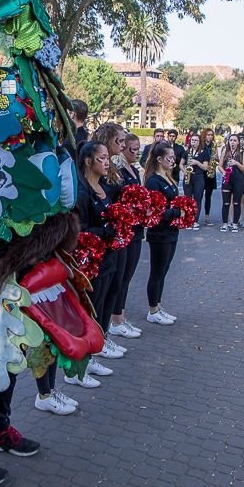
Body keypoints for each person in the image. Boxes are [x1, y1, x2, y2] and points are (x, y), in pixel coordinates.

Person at [77, 140, 125, 379]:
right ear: (88, 161)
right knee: (89, 313)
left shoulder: (105, 187)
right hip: (92, 264)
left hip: (108, 259)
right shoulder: (82, 192)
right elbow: (81, 232)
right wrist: (107, 231)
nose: (107, 162)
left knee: (102, 308)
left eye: (108, 157)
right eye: (101, 158)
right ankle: (78, 367)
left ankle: (93, 354)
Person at [109, 133, 144, 338]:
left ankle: (121, 316)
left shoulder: (134, 170)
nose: (136, 153)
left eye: (138, 149)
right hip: (127, 227)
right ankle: (115, 319)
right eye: (132, 149)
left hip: (137, 227)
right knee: (121, 277)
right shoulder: (120, 171)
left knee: (128, 275)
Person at [144, 142, 183, 325]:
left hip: (171, 231)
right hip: (159, 233)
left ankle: (158, 306)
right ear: (159, 159)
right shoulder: (153, 181)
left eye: (174, 158)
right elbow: (155, 211)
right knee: (157, 272)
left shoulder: (167, 177)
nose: (173, 161)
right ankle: (153, 310)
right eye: (169, 158)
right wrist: (176, 213)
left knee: (164, 271)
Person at [218, 133, 244, 233]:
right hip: (227, 179)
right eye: (231, 140)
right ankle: (225, 224)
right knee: (226, 202)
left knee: (236, 202)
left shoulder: (243, 153)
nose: (233, 143)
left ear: (238, 142)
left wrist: (236, 163)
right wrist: (223, 172)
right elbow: (220, 166)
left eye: (235, 141)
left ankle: (235, 223)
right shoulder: (225, 152)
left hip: (238, 179)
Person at [182, 133, 209, 230]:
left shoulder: (204, 153)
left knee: (197, 200)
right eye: (192, 140)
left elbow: (206, 167)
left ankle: (195, 220)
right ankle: (188, 220)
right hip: (189, 177)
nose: (194, 142)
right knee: (188, 200)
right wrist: (184, 170)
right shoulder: (187, 151)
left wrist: (197, 162)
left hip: (199, 177)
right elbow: (181, 164)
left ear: (199, 142)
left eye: (196, 140)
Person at [200, 128, 218, 226]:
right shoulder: (201, 145)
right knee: (199, 196)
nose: (210, 137)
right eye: (208, 135)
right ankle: (196, 217)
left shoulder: (213, 145)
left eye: (211, 135)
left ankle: (207, 217)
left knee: (208, 196)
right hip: (202, 172)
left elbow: (218, 160)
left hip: (211, 172)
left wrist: (216, 159)